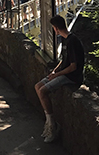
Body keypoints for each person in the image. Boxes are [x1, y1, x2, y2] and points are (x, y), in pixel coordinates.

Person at [34, 15, 85, 143]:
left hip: (71, 77)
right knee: (37, 86)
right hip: (62, 73)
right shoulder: (65, 39)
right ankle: (49, 121)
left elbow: (73, 67)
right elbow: (63, 60)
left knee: (43, 91)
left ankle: (52, 125)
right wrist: (55, 71)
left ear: (56, 28)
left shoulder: (72, 41)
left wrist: (57, 75)